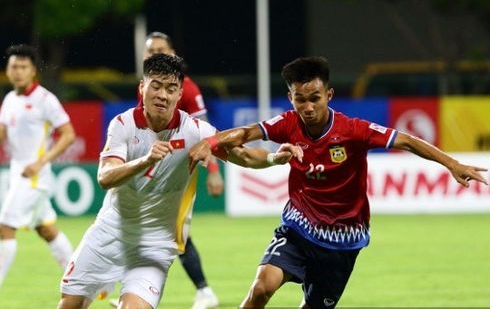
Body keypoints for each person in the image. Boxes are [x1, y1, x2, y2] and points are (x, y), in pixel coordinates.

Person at [188, 56, 489, 308]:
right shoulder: (288, 123)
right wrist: (211, 142)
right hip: (299, 227)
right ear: (291, 97)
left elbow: (406, 141)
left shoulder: (353, 130)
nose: (307, 107)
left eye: (314, 99)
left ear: (328, 95)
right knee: (262, 288)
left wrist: (452, 164)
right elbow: (244, 133)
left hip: (343, 241)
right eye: (299, 99)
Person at [58, 53, 301, 309]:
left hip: (155, 244)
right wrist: (145, 160)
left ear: (179, 94)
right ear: (142, 87)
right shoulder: (123, 125)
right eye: (156, 86)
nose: (162, 95)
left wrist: (275, 157)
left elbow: (245, 156)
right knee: (69, 305)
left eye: (171, 89)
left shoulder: (195, 131)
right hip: (109, 233)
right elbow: (105, 177)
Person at [109, 31, 223, 309]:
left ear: (173, 53)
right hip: (147, 171)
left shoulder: (188, 89)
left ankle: (204, 291)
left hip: (175, 173)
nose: (154, 54)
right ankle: (132, 292)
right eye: (149, 50)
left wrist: (215, 171)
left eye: (160, 49)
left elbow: (208, 137)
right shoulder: (148, 88)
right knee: (132, 225)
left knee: (171, 234)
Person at [0, 44, 76, 287]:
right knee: (46, 229)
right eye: (14, 66)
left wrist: (40, 161)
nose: (18, 71)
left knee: (5, 227)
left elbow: (68, 134)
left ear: (33, 71)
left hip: (34, 175)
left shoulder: (45, 99)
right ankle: (84, 281)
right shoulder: (10, 99)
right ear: (8, 70)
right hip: (17, 172)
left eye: (24, 67)